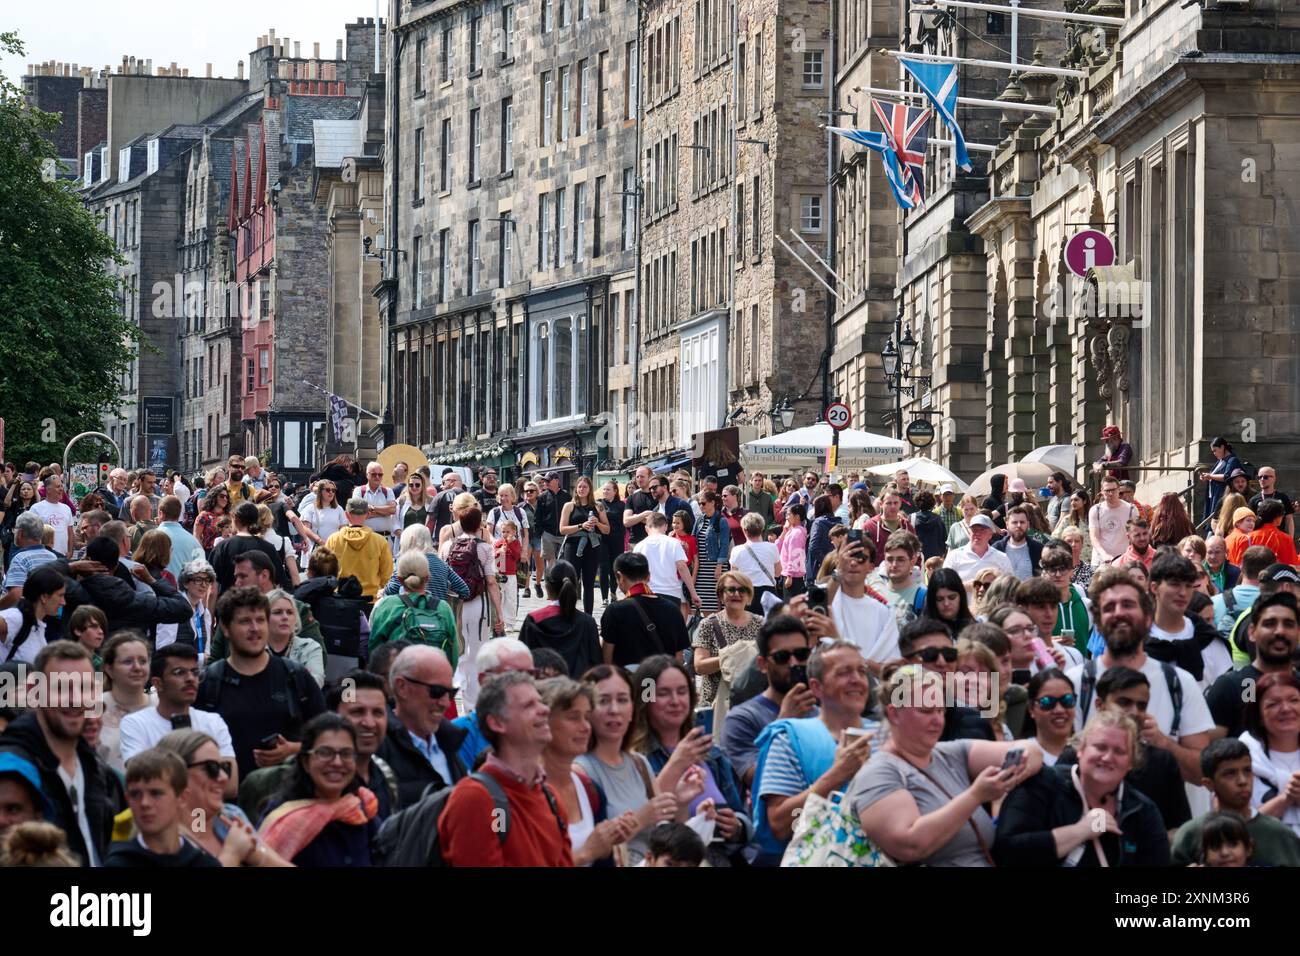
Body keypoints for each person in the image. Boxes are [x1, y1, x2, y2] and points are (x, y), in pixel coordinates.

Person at [851, 662, 1037, 866]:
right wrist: (976, 796)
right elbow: (911, 845)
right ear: (894, 713)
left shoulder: (950, 753)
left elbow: (1032, 751)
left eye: (941, 711)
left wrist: (1011, 772)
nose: (937, 720)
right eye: (926, 710)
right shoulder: (879, 772)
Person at [1065, 568, 1214, 784]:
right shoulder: (1075, 684)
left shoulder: (1180, 683)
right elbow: (1059, 767)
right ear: (1097, 623)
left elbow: (1203, 772)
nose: (1119, 613)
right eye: (1109, 607)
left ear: (1147, 619)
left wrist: (1163, 743)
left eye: (1127, 605)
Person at [751, 639, 878, 865]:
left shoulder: (888, 737)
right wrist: (838, 775)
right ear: (817, 687)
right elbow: (781, 825)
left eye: (861, 671)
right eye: (844, 673)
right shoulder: (788, 738)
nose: (857, 680)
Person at [994, 708, 1170, 866]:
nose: (1108, 758)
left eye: (1119, 751)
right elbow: (1008, 851)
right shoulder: (1042, 783)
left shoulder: (1142, 810)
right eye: (1100, 747)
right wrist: (1081, 830)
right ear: (1080, 749)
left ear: (1130, 762)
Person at [437, 672, 573, 866]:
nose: (544, 710)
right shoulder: (476, 799)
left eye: (541, 702)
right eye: (529, 705)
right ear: (496, 723)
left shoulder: (550, 797)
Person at [0, 641, 114, 865]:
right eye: (61, 688)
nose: (74, 699)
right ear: (35, 692)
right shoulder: (11, 770)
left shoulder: (96, 767)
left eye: (84, 687)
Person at [631, 656, 752, 866]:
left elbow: (742, 816)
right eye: (663, 693)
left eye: (682, 691)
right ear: (646, 698)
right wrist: (676, 764)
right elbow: (635, 823)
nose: (675, 701)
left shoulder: (711, 754)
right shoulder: (635, 760)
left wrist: (737, 827)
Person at [194, 587, 326, 780]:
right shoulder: (210, 683)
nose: (255, 628)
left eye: (260, 620)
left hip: (288, 797)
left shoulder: (296, 677)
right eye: (245, 621)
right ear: (225, 627)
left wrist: (293, 749)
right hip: (228, 798)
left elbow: (326, 738)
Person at [575, 663, 681, 866]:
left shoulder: (639, 763)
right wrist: (640, 819)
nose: (614, 710)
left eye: (622, 700)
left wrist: (683, 803)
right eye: (603, 701)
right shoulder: (580, 772)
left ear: (632, 710)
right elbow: (585, 849)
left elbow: (664, 830)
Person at [537, 678, 638, 866]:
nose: (585, 727)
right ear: (543, 722)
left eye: (587, 716)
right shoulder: (523, 792)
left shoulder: (589, 789)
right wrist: (586, 853)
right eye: (574, 717)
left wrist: (610, 840)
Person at [257, 713, 379, 866]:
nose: (337, 762)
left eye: (346, 754)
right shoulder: (282, 817)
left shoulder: (362, 812)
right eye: (325, 753)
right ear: (306, 762)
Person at [155, 729, 291, 866]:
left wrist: (256, 854)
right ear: (176, 774)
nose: (224, 777)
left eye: (224, 767)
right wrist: (232, 853)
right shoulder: (159, 836)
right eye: (211, 768)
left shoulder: (229, 817)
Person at [118, 644, 237, 794]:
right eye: (179, 672)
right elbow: (144, 780)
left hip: (202, 815)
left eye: (195, 672)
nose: (190, 679)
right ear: (157, 683)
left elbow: (230, 785)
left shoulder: (213, 721)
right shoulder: (135, 723)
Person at [720, 614, 818, 788]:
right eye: (782, 657)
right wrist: (783, 721)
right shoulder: (741, 719)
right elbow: (757, 779)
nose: (794, 663)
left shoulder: (822, 710)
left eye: (802, 654)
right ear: (763, 664)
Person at [1171, 738, 1300, 866]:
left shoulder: (1281, 836)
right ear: (1209, 784)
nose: (1242, 781)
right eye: (1230, 774)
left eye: (1247, 771)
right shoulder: (1190, 835)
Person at [376, 645, 467, 806]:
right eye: (436, 691)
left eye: (451, 693)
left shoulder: (449, 742)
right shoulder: (376, 748)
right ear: (402, 687)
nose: (446, 703)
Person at [104, 750, 222, 868]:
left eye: (156, 793)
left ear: (182, 798)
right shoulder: (117, 863)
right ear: (127, 799)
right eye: (135, 794)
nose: (145, 803)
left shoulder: (203, 863)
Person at [1207, 592, 1300, 739]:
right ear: (1252, 632)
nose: (1280, 631)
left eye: (1288, 624)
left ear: (1298, 632)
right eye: (1270, 624)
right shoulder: (1234, 686)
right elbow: (1207, 752)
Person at [440, 506, 507, 707]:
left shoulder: (447, 546)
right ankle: (472, 703)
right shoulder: (485, 548)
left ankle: (455, 698)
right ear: (479, 525)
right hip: (478, 604)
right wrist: (499, 613)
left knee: (457, 650)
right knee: (477, 652)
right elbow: (491, 582)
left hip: (455, 604)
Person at [600, 552, 691, 668]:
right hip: (662, 682)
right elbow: (679, 657)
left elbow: (607, 659)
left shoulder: (614, 611)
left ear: (620, 577)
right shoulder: (673, 609)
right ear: (648, 576)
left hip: (628, 682)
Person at [369, 551, 459, 664]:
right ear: (427, 578)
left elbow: (373, 649)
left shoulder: (386, 606)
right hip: (434, 676)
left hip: (397, 677)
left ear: (400, 579)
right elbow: (453, 653)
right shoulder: (443, 608)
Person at [1241, 671, 1300, 836]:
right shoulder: (1240, 759)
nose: (1286, 709)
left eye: (1294, 700)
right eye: (1273, 704)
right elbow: (1234, 825)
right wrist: (1286, 798)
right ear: (1259, 716)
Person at [692, 570, 763, 708]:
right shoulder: (709, 624)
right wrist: (732, 656)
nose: (737, 594)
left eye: (742, 589)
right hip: (716, 704)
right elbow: (699, 666)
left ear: (749, 596)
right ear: (721, 595)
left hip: (752, 704)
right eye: (731, 589)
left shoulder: (761, 623)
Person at [519, 560, 601, 677]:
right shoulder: (587, 622)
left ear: (547, 587)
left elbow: (522, 663)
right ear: (576, 584)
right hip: (577, 690)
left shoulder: (534, 620)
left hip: (542, 689)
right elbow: (595, 663)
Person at [829, 536, 900, 670]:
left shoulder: (884, 613)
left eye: (861, 558)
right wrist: (838, 572)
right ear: (838, 560)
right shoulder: (824, 599)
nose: (854, 563)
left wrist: (851, 658)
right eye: (848, 556)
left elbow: (890, 671)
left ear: (871, 567)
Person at [379, 523, 470, 605]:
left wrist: (382, 592)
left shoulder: (406, 561)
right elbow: (464, 590)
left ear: (410, 540)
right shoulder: (442, 564)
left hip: (409, 615)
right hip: (437, 616)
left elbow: (392, 590)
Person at [325, 499, 394, 603]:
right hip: (371, 599)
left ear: (346, 515)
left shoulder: (333, 540)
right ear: (367, 515)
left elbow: (325, 572)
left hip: (341, 599)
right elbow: (387, 575)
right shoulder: (380, 541)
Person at [632, 511, 700, 617]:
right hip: (671, 594)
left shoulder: (639, 546)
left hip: (647, 593)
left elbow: (634, 575)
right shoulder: (674, 543)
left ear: (646, 528)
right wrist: (693, 593)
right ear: (665, 526)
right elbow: (682, 567)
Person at [559, 476, 609, 616]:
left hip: (592, 546)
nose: (582, 489)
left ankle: (588, 616)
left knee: (589, 583)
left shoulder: (598, 506)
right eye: (579, 486)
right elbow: (562, 529)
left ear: (590, 489)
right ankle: (569, 613)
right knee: (571, 582)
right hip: (573, 545)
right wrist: (581, 526)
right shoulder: (569, 506)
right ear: (576, 488)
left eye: (585, 487)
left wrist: (596, 523)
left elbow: (607, 529)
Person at [0, 564, 66, 667]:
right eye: (60, 595)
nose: (63, 602)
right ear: (44, 597)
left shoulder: (38, 626)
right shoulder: (16, 618)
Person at [265, 589, 325, 686]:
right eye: (277, 612)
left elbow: (315, 684)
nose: (285, 617)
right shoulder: (252, 648)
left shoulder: (310, 647)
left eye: (290, 612)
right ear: (264, 617)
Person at [728, 513, 781, 613]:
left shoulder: (737, 550)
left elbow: (733, 578)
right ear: (762, 529)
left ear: (744, 530)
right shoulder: (772, 547)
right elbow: (778, 572)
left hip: (746, 594)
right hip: (768, 593)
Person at [1023, 668, 1076, 765]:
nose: (1059, 710)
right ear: (1031, 708)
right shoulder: (1023, 756)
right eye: (1047, 702)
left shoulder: (1088, 753)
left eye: (1067, 700)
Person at [942, 514, 1013, 584]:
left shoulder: (1001, 558)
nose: (978, 533)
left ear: (991, 534)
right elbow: (944, 584)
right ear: (970, 532)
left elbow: (1009, 587)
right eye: (974, 530)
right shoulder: (954, 556)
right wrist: (966, 587)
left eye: (982, 530)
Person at [691, 490, 730, 616]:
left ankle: (717, 632)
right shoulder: (699, 520)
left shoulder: (721, 520)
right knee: (703, 603)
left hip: (715, 566)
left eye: (703, 503)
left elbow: (724, 545)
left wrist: (719, 566)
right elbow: (693, 539)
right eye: (699, 504)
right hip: (701, 566)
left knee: (716, 603)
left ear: (712, 503)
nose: (701, 506)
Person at [1089, 477, 1138, 567]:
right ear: (1102, 491)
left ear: (1119, 490)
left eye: (1113, 490)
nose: (1111, 494)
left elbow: (1134, 535)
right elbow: (1094, 536)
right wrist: (1103, 554)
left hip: (1123, 560)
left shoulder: (1131, 509)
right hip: (1100, 561)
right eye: (1107, 491)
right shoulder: (1095, 510)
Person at [1201, 437, 1244, 528]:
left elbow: (1227, 476)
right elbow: (1214, 475)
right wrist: (1207, 476)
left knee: (1218, 520)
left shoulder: (1232, 460)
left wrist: (1210, 476)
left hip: (1222, 494)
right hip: (1214, 495)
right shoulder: (1220, 461)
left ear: (1222, 447)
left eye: (1215, 450)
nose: (1214, 453)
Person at [992, 505, 1043, 581]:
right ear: (1007, 525)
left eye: (1022, 522)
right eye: (1014, 522)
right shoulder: (996, 549)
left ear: (1028, 524)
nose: (1019, 525)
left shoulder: (1039, 549)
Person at [922, 567, 976, 638]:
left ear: (961, 596)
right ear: (932, 600)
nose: (946, 603)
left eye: (952, 597)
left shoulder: (976, 631)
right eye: (939, 599)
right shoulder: (922, 635)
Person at [1243, 499, 1299, 567]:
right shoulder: (1286, 538)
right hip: (1278, 575)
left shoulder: (1248, 536)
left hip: (1253, 574)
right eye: (1282, 514)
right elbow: (1293, 565)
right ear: (1277, 516)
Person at [597, 480, 626, 604]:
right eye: (604, 489)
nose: (605, 491)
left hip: (617, 539)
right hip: (602, 539)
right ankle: (604, 596)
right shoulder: (598, 504)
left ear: (615, 491)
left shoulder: (621, 505)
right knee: (603, 568)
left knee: (615, 568)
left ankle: (613, 592)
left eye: (608, 489)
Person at [31, 475, 74, 559]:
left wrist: (70, 551)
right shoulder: (36, 508)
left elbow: (70, 532)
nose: (61, 489)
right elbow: (32, 534)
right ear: (48, 490)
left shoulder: (66, 508)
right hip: (43, 556)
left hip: (63, 556)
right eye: (58, 486)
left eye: (62, 486)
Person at [1250, 466, 1295, 539]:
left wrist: (1291, 539)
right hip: (1261, 539)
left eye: (1265, 477)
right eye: (1259, 477)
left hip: (1280, 538)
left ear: (1274, 478)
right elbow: (1251, 521)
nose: (1262, 479)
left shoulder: (1283, 497)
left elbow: (1289, 519)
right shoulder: (1253, 500)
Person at [775, 501, 807, 599]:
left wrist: (790, 576)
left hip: (793, 576)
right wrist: (784, 531)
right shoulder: (791, 531)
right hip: (787, 573)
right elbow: (776, 547)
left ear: (797, 517)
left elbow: (795, 555)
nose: (786, 517)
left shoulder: (797, 533)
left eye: (789, 514)